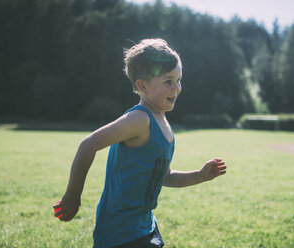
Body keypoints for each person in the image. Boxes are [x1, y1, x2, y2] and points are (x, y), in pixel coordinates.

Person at [53, 38, 227, 248]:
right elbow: (89, 144)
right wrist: (73, 194)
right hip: (120, 231)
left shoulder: (162, 121)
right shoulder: (139, 119)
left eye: (179, 79)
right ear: (143, 86)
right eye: (168, 81)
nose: (177, 88)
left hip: (145, 226)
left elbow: (165, 176)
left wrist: (199, 175)